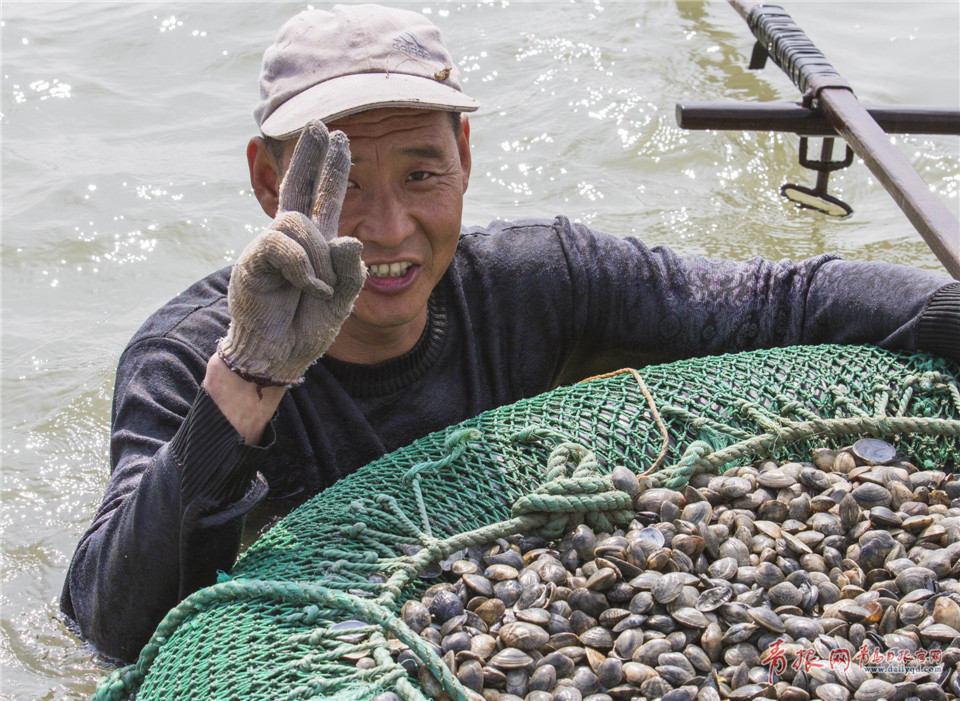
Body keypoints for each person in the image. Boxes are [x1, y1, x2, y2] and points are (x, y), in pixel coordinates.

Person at [61, 3, 959, 664]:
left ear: (466, 158)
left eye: (421, 173)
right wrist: (251, 377)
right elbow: (106, 626)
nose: (385, 227)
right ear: (268, 182)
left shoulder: (535, 282)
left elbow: (778, 299)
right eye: (337, 185)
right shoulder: (185, 355)